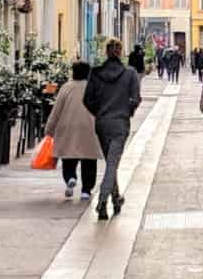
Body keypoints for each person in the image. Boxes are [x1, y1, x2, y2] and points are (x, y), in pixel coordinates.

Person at [83, 38, 141, 221]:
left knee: (111, 161)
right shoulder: (129, 73)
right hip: (120, 123)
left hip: (102, 124)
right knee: (112, 163)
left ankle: (116, 199)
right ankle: (102, 201)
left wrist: (99, 112)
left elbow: (87, 100)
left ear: (106, 51)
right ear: (120, 51)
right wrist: (127, 111)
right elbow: (136, 98)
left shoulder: (96, 73)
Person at [45, 61, 105, 203]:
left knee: (68, 158)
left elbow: (56, 110)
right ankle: (86, 190)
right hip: (89, 127)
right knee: (89, 160)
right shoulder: (95, 88)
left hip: (68, 127)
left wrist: (49, 128)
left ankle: (70, 178)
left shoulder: (66, 87)